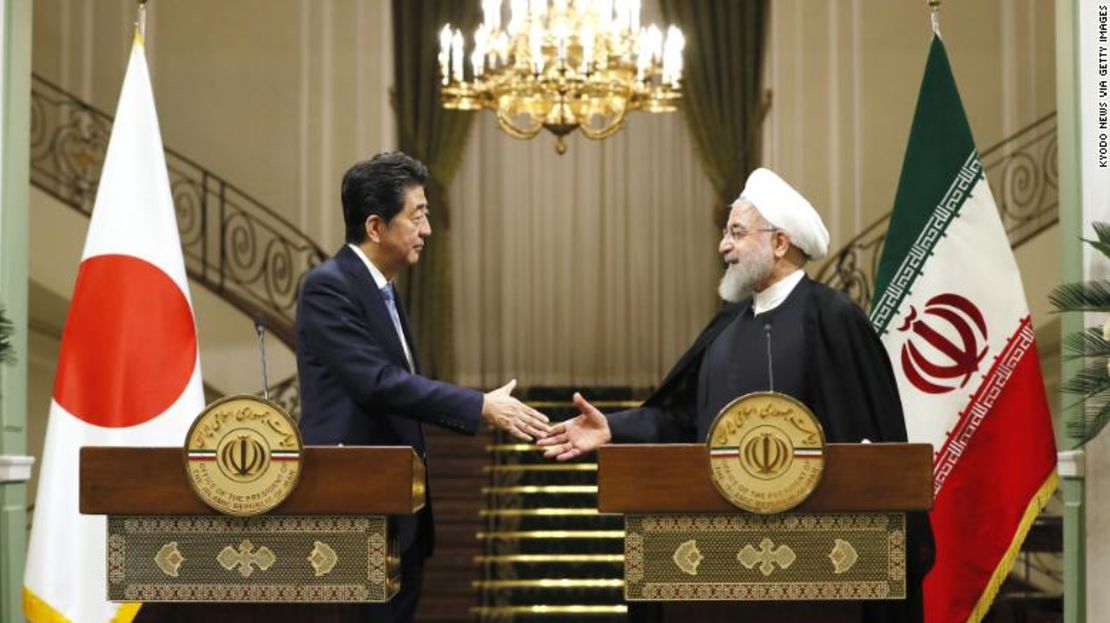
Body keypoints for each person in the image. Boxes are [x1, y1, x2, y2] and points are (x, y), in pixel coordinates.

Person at [538, 168, 933, 622]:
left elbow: (873, 440)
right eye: (726, 233)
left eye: (737, 233)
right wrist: (614, 427)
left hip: (819, 565)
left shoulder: (834, 319)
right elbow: (684, 421)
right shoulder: (725, 328)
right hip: (717, 557)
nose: (724, 246)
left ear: (780, 243)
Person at [296, 151, 551, 622]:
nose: (428, 230)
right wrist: (479, 406)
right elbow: (376, 383)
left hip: (397, 512)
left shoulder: (382, 288)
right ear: (376, 227)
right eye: (417, 216)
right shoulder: (328, 287)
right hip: (356, 512)